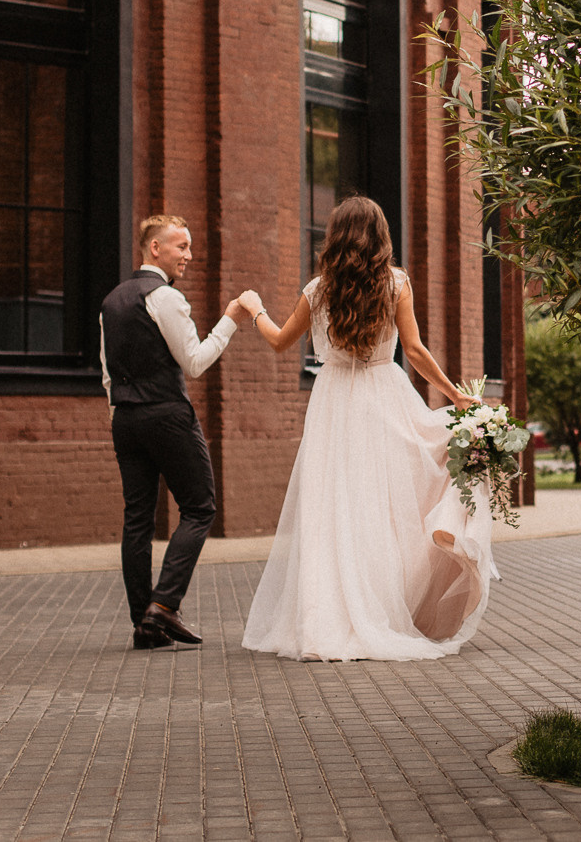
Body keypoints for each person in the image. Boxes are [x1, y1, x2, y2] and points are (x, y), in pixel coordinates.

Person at [238, 195, 499, 661]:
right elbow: (415, 351)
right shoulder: (396, 283)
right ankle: (382, 609)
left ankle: (326, 618)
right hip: (385, 395)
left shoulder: (317, 290)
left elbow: (279, 342)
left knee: (332, 510)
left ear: (334, 238)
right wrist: (455, 395)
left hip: (334, 402)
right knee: (385, 508)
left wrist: (255, 309)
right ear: (381, 236)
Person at [101, 213, 259, 650]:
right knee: (201, 508)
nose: (189, 255)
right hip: (167, 415)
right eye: (181, 246)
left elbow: (108, 376)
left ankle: (144, 624)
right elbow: (194, 361)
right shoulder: (165, 298)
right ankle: (164, 606)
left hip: (125, 419)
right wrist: (228, 318)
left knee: (137, 519)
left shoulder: (112, 301)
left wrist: (121, 413)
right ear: (155, 248)